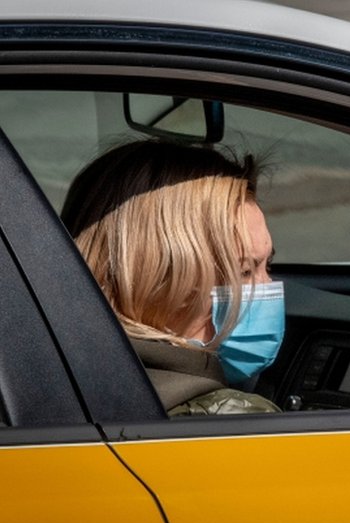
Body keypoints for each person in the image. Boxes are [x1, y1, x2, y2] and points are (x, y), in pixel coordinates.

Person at [61, 140, 284, 416]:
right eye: (245, 272)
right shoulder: (232, 419)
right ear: (159, 281)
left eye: (268, 265)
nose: (268, 288)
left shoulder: (54, 370)